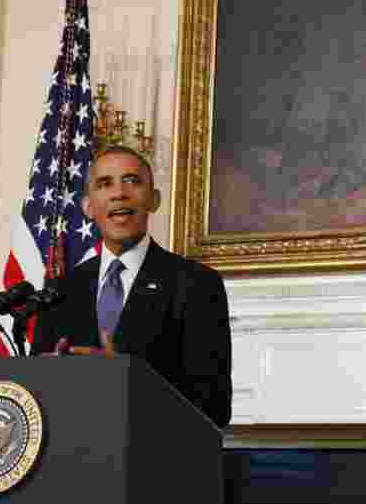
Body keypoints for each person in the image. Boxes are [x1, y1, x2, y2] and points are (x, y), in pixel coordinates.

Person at [31, 145, 233, 428]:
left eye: (132, 181)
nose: (118, 193)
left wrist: (128, 378)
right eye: (104, 184)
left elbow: (215, 407)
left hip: (153, 462)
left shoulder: (196, 284)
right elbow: (36, 396)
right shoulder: (60, 290)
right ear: (87, 206)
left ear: (154, 200)